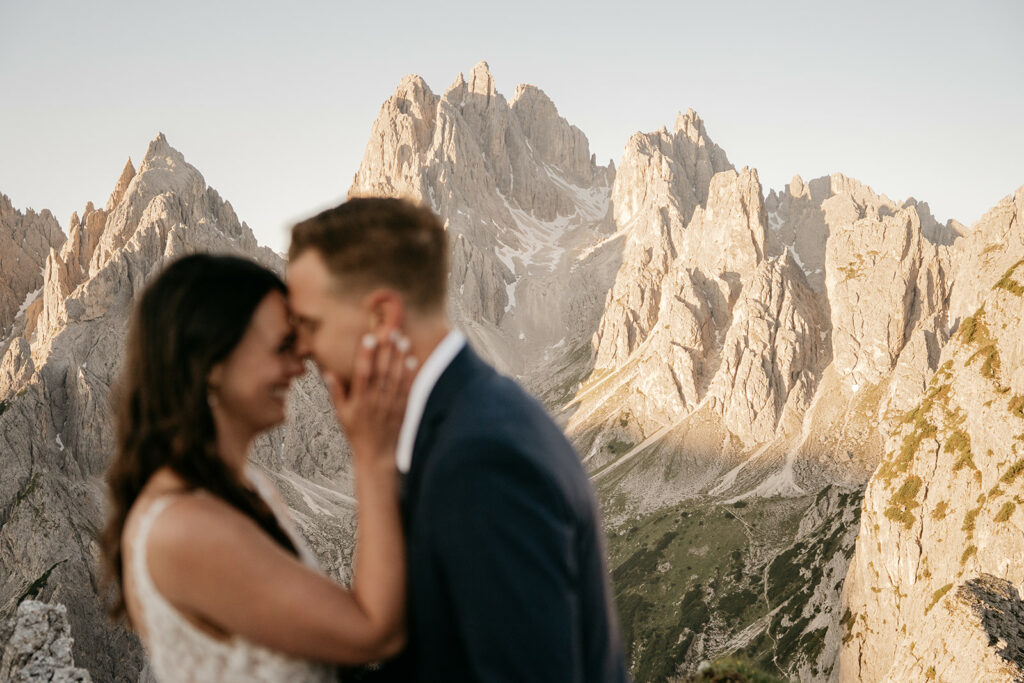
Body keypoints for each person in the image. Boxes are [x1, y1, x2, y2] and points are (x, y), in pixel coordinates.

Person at [287, 198, 629, 682]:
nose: (300, 349)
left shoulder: (479, 458)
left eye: (311, 325)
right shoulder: (476, 417)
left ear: (382, 319)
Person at [100, 253, 415, 682]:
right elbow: (374, 634)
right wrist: (373, 453)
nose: (300, 367)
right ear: (212, 364)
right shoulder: (185, 527)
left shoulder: (242, 488)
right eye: (282, 347)